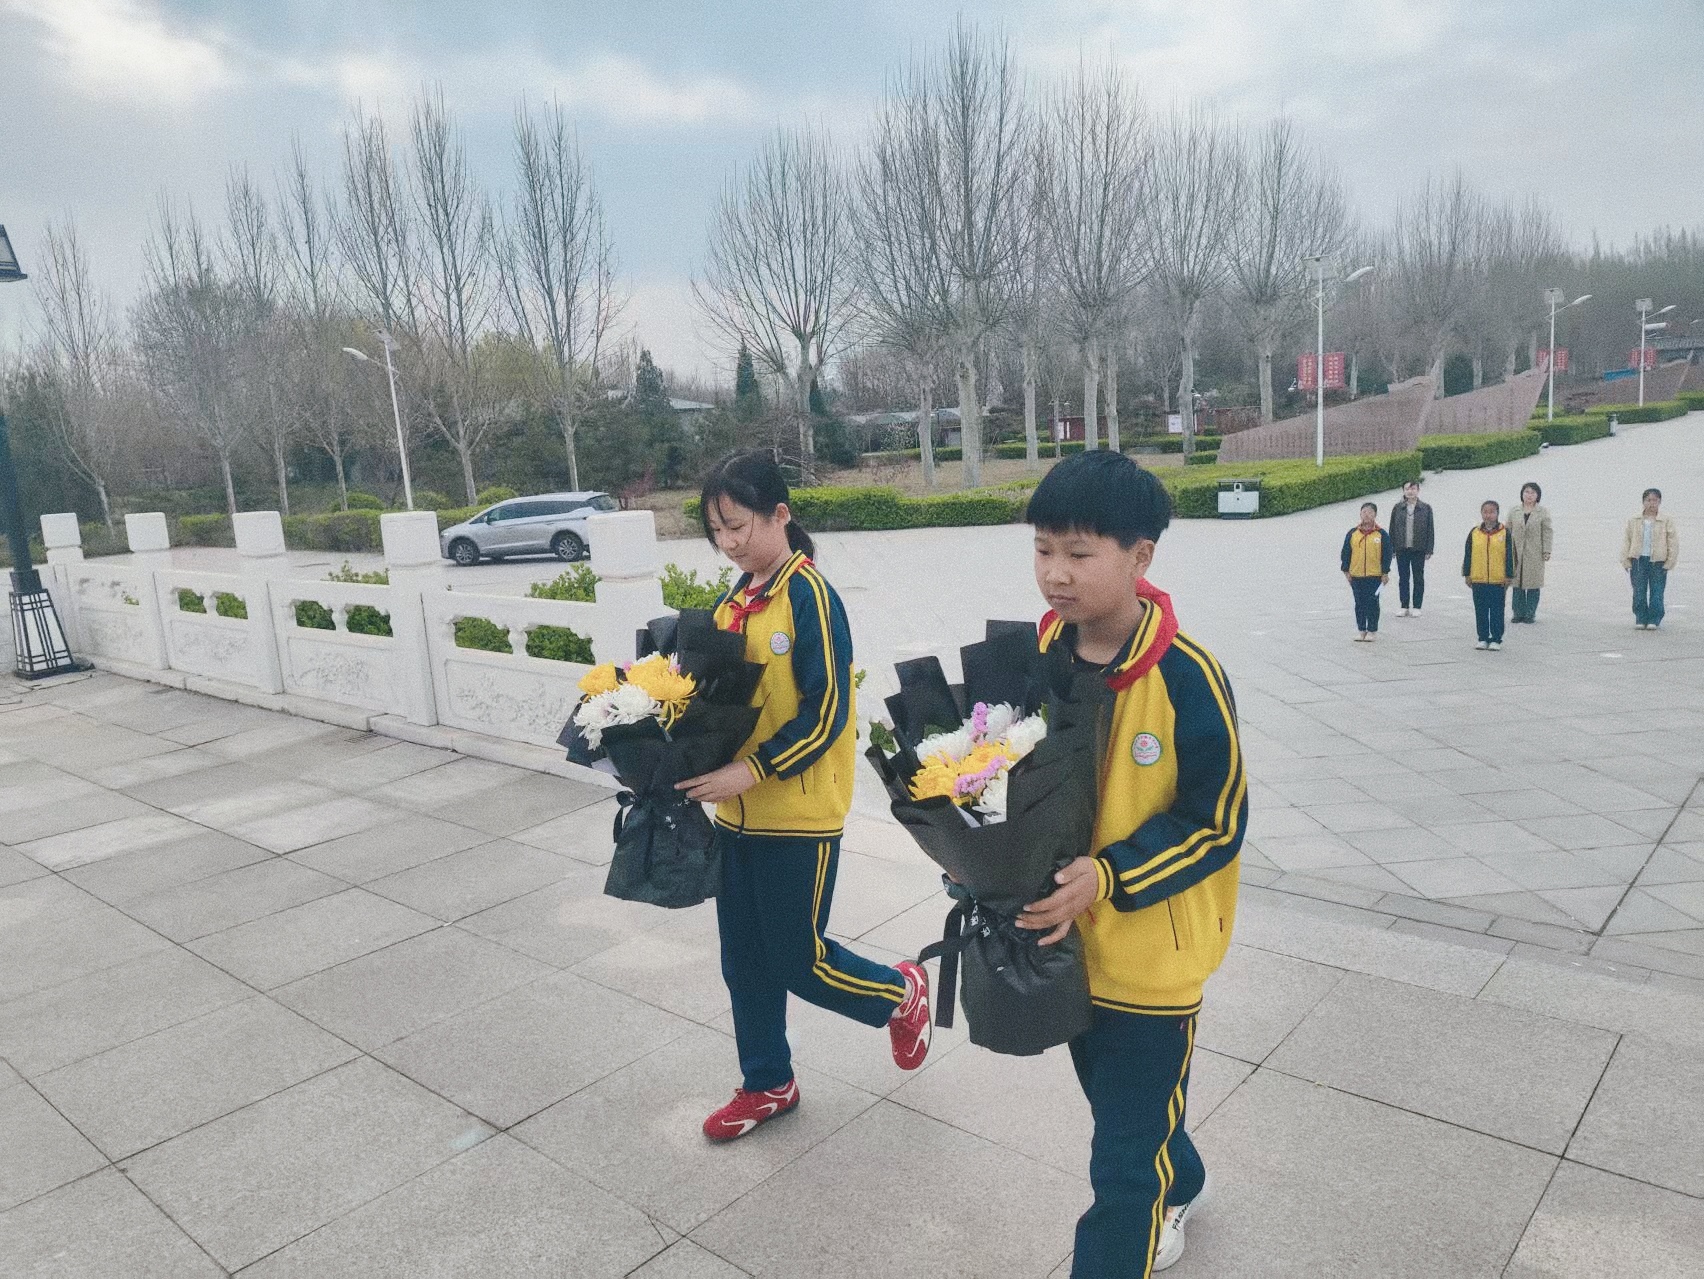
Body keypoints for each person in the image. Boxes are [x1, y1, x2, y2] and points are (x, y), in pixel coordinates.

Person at [1017, 452, 1246, 1277]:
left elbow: (1217, 820)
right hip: (1067, 948)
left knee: (1119, 1166)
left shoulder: (1188, 676)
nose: (1056, 573)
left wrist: (1109, 875)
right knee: (1121, 1109)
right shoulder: (1041, 650)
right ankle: (1180, 1174)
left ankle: (1147, 1209)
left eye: (1079, 553)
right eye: (1044, 549)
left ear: (1140, 555)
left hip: (1152, 959)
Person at [679, 451, 932, 1141]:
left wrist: (752, 770)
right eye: (717, 532)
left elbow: (826, 714)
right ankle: (768, 1082)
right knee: (743, 962)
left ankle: (900, 991)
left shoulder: (810, 595)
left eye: (737, 526)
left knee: (800, 958)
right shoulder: (733, 601)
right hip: (735, 816)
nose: (729, 543)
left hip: (797, 814)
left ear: (780, 515)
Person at [1621, 487, 1680, 630]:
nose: (1651, 503)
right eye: (1648, 500)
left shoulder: (1665, 520)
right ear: (1643, 502)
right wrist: (1625, 560)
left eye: (1655, 500)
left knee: (1657, 592)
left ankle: (1654, 619)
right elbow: (1627, 540)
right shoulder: (1634, 520)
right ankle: (1640, 618)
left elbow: (1672, 542)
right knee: (1639, 592)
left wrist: (1670, 561)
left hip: (1658, 561)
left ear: (1659, 502)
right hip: (1638, 560)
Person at [1463, 500, 1514, 651]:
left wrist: (1509, 575)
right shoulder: (1474, 533)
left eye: (1492, 512)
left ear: (1497, 514)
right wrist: (1467, 574)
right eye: (1485, 512)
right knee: (1481, 610)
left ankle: (1496, 638)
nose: (1488, 515)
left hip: (1498, 580)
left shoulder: (1505, 533)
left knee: (1497, 610)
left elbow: (1510, 556)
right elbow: (1468, 554)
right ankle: (1483, 637)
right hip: (1478, 578)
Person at [1340, 502, 1393, 642]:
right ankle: (1361, 629)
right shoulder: (1353, 533)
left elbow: (1387, 554)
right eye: (1364, 512)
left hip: (1374, 575)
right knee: (1359, 603)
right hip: (1356, 575)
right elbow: (1346, 553)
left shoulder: (1381, 534)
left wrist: (1385, 572)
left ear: (1375, 514)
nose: (1366, 515)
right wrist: (1346, 571)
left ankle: (1372, 630)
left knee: (1373, 602)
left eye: (1370, 512)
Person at [1387, 479, 1434, 617]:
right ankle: (1404, 605)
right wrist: (1391, 548)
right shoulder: (1397, 508)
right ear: (1403, 491)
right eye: (1407, 489)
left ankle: (1417, 606)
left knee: (1418, 577)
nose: (1410, 491)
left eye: (1413, 489)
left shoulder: (1426, 508)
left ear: (1418, 490)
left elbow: (1430, 529)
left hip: (1418, 548)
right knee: (1403, 578)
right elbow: (1392, 528)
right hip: (1401, 547)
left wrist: (1429, 549)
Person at [1507, 482, 1553, 623]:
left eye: (1533, 492)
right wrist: (1505, 549)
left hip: (1534, 553)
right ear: (1522, 494)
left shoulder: (1542, 512)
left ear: (1537, 496)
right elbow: (1507, 531)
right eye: (1526, 492)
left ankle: (1530, 613)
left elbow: (1547, 532)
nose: (1529, 495)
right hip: (1516, 552)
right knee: (1517, 583)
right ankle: (1517, 613)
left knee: (1533, 584)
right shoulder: (1514, 511)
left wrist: (1546, 550)